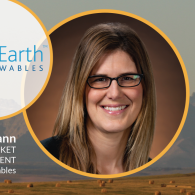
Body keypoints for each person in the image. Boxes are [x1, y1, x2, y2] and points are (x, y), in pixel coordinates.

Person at [41, 23, 156, 174]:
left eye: (127, 78)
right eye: (100, 79)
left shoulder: (154, 173)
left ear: (145, 88)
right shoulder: (43, 159)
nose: (114, 94)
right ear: (79, 88)